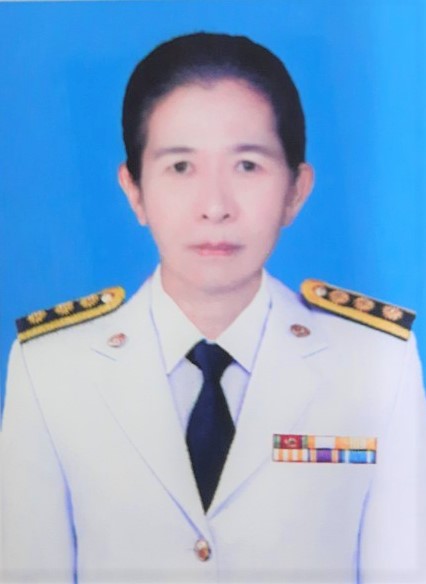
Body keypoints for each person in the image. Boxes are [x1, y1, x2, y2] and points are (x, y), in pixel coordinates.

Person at [2, 32, 425, 584]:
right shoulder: (52, 370)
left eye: (247, 166)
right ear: (134, 190)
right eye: (181, 167)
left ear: (296, 191)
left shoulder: (375, 364)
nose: (215, 207)